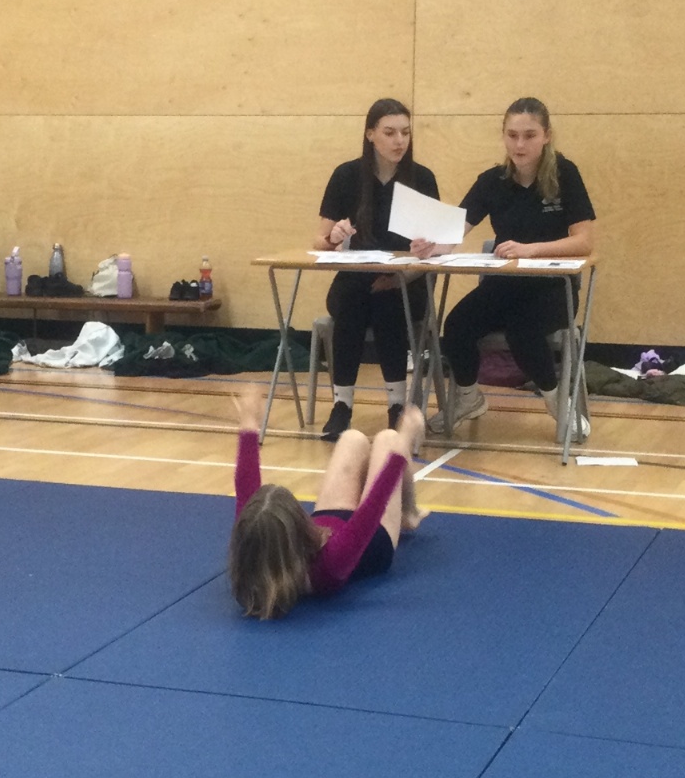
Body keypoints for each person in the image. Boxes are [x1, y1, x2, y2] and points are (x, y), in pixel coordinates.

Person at [414, 97, 595, 439]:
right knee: (457, 325)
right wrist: (430, 246)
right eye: (512, 135)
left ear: (546, 136)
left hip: (553, 287)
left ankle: (558, 403)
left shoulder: (565, 174)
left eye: (529, 135)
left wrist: (530, 250)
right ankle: (468, 398)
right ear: (503, 136)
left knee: (523, 330)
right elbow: (453, 234)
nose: (519, 144)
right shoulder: (491, 181)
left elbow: (584, 242)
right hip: (506, 284)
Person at [229, 385, 427, 619]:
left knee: (352, 439)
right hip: (374, 541)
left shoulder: (252, 553)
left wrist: (249, 422)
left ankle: (401, 485)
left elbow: (245, 485)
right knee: (388, 439)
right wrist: (405, 440)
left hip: (328, 522)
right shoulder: (330, 564)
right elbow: (372, 508)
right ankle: (409, 514)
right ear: (297, 527)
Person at [314, 98, 440, 440]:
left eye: (405, 133)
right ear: (370, 134)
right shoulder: (346, 176)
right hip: (356, 278)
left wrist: (411, 266)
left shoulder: (422, 178)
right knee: (352, 300)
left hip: (407, 282)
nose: (399, 141)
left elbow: (436, 250)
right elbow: (319, 241)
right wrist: (334, 237)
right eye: (390, 132)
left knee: (388, 303)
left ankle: (397, 405)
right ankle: (342, 406)